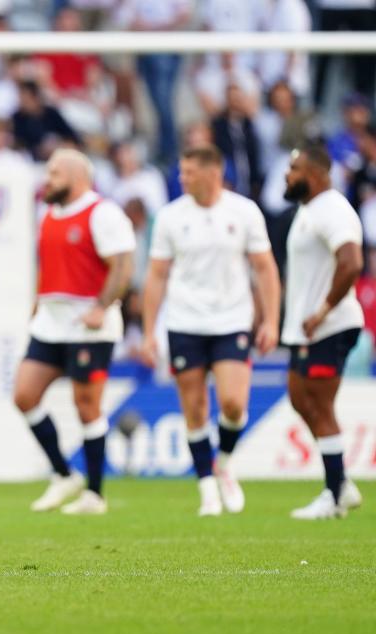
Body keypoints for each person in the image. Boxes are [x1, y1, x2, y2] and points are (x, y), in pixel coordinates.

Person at [141, 145, 281, 516]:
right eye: (181, 172)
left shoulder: (244, 211)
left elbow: (265, 268)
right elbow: (156, 275)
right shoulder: (170, 217)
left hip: (232, 320)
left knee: (234, 404)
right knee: (195, 408)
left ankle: (225, 462)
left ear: (213, 173)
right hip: (185, 321)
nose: (182, 179)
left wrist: (271, 320)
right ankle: (206, 487)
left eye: (189, 173)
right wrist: (149, 331)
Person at [12, 149, 135, 515]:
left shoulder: (103, 212)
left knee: (87, 406)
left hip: (88, 325)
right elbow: (50, 266)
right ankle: (64, 474)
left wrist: (102, 306)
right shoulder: (49, 214)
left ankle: (95, 494)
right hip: (51, 323)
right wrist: (37, 301)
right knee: (24, 395)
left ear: (78, 177)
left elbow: (123, 266)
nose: (47, 180)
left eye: (54, 173)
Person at [281, 146, 365, 519]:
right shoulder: (308, 210)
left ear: (315, 174)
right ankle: (341, 482)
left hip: (329, 325)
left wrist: (323, 310)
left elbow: (351, 262)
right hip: (306, 328)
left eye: (294, 168)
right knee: (301, 400)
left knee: (320, 403)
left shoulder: (332, 208)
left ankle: (334, 495)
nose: (287, 174)